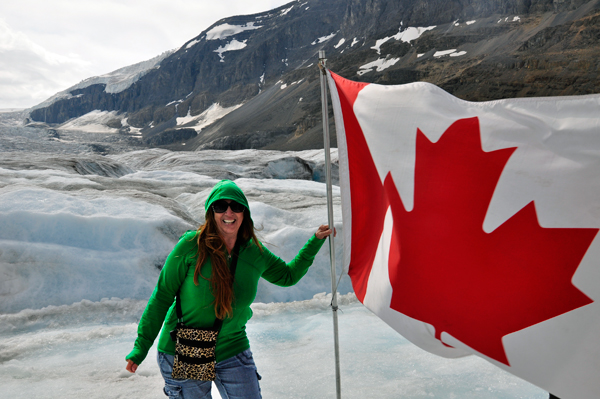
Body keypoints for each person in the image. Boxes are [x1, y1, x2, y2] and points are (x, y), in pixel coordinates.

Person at [125, 179, 334, 399]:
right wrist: (141, 347)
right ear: (210, 212)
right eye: (220, 206)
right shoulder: (191, 246)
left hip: (232, 346)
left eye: (236, 206)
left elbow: (287, 276)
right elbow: (162, 296)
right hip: (188, 347)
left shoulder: (254, 253)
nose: (229, 212)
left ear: (244, 213)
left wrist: (315, 241)